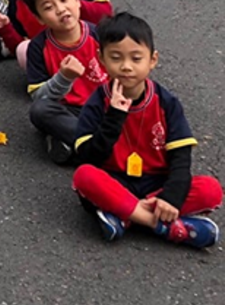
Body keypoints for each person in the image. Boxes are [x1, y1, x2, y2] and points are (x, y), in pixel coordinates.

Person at [73, 13, 221, 248]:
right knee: (84, 176)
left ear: (152, 60)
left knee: (211, 190)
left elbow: (181, 158)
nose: (126, 66)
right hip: (116, 182)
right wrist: (114, 117)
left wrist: (170, 198)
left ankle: (126, 216)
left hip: (157, 185)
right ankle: (161, 225)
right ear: (101, 58)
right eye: (116, 57)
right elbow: (89, 156)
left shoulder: (167, 102)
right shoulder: (97, 101)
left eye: (136, 58)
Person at [18, 0, 108, 164]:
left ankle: (74, 146)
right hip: (72, 111)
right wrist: (64, 77)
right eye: (48, 8)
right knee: (40, 111)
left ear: (76, 0)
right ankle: (99, 147)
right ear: (39, 17)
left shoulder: (100, 34)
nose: (60, 9)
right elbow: (39, 96)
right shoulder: (38, 47)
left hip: (107, 105)